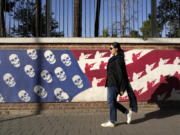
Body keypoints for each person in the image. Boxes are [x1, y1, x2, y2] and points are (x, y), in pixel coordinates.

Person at [101, 42, 138, 128]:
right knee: (112, 102)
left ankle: (112, 121)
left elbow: (121, 74)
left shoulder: (119, 59)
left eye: (111, 48)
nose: (109, 50)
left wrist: (122, 88)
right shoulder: (113, 58)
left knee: (111, 102)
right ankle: (127, 112)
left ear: (116, 48)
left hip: (115, 84)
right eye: (109, 48)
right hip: (110, 83)